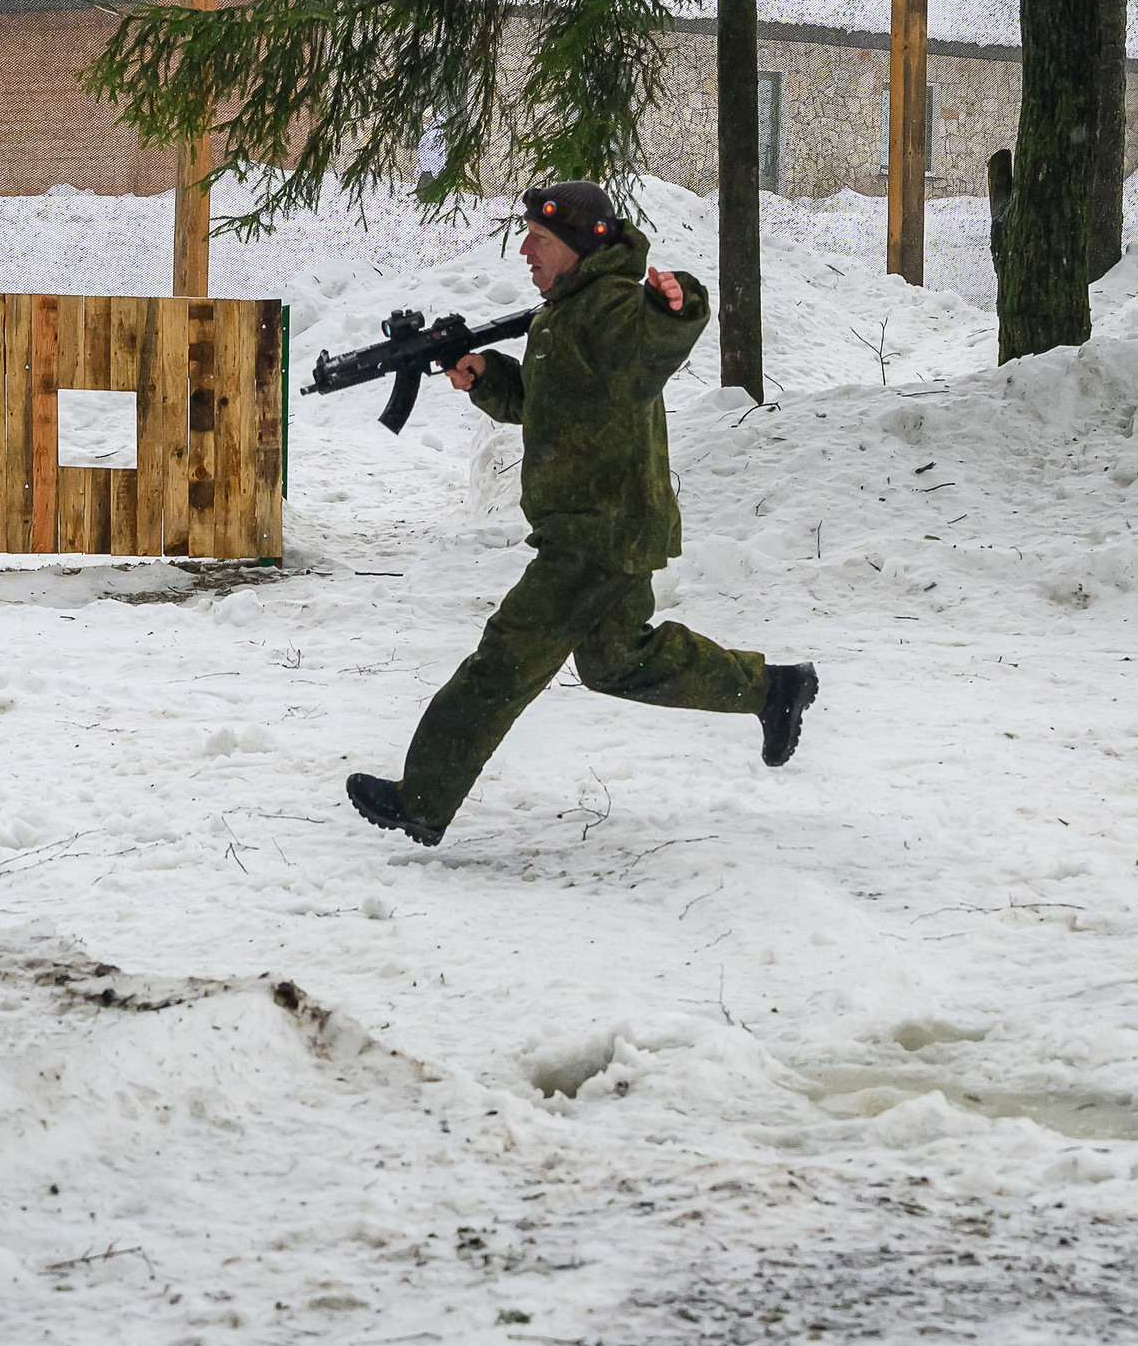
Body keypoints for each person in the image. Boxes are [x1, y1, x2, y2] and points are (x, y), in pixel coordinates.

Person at [345, 181, 818, 847]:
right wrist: (486, 377)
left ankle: (423, 798)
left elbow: (657, 333)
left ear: (575, 246)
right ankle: (772, 689)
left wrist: (676, 303)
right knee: (617, 660)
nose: (524, 249)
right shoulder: (566, 313)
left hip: (596, 530)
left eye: (539, 239)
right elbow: (547, 402)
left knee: (505, 659)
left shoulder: (611, 310)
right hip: (602, 524)